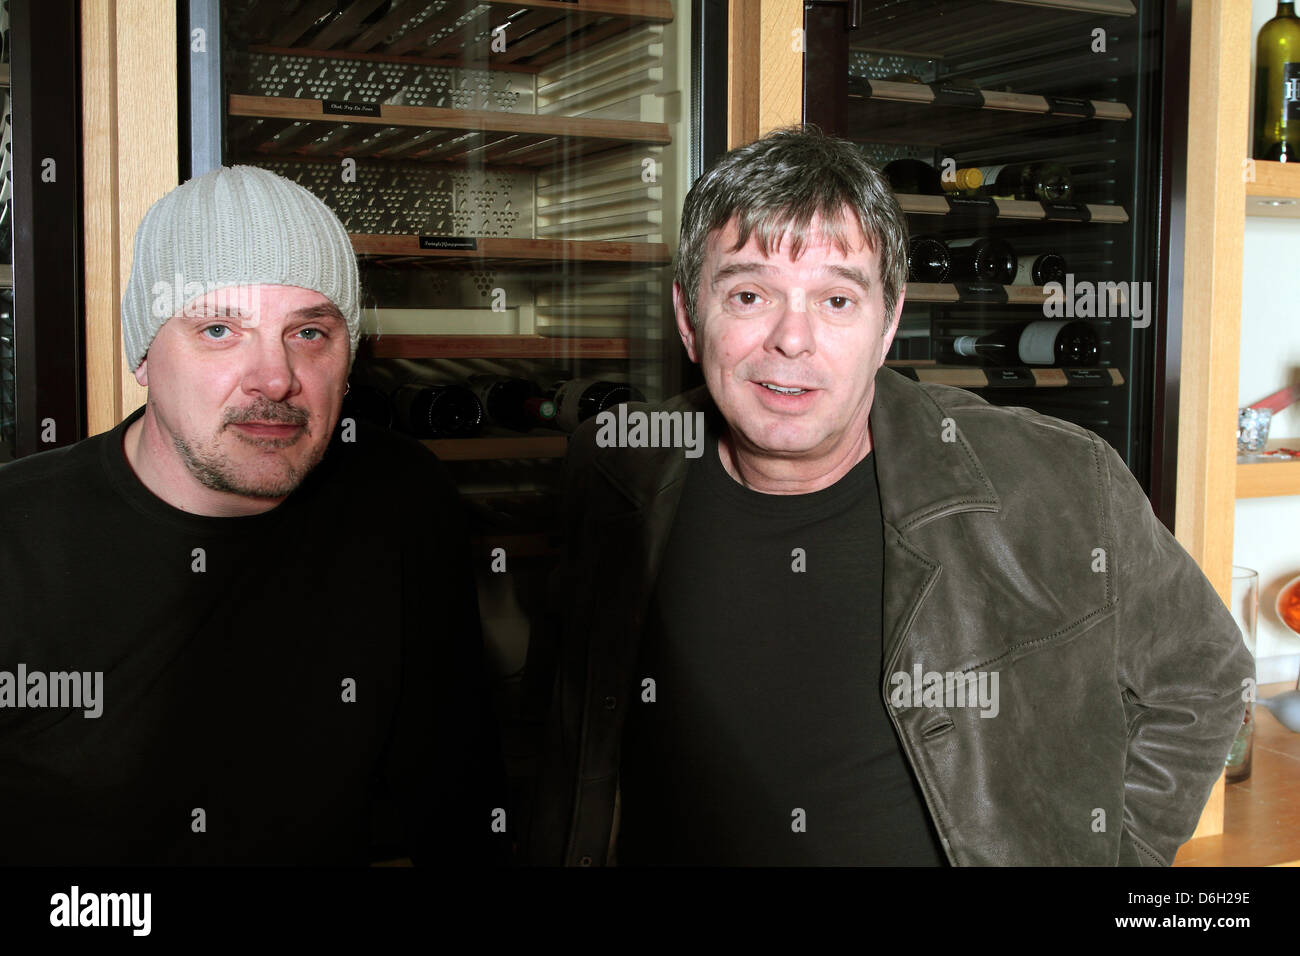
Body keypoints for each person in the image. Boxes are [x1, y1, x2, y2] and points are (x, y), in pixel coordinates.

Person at [528, 126, 1255, 866]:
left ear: (888, 323)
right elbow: (563, 727)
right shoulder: (617, 470)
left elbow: (1205, 676)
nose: (793, 339)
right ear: (690, 317)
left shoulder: (1054, 479)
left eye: (837, 300)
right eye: (749, 294)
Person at [0, 165, 507, 865]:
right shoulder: (17, 539)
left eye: (308, 333)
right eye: (218, 328)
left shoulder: (400, 496)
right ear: (144, 354)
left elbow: (452, 793)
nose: (274, 379)